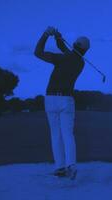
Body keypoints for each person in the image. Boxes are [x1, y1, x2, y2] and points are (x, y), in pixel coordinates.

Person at [34, 26, 90, 180]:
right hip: (67, 100)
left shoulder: (63, 58)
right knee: (67, 134)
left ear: (75, 45)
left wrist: (46, 34)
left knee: (55, 135)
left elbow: (37, 52)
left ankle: (60, 167)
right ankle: (70, 166)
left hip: (51, 98)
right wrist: (58, 37)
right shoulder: (80, 62)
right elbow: (65, 49)